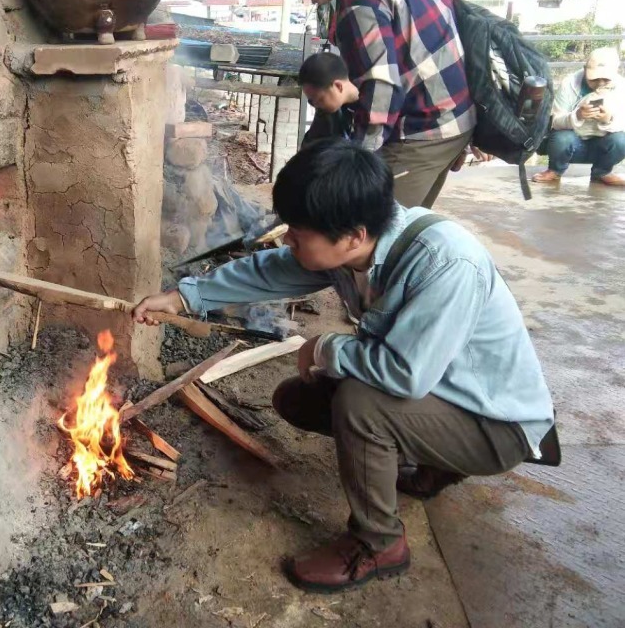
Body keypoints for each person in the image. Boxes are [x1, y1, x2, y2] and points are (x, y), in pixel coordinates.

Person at [132, 141, 554, 593]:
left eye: (297, 232)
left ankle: (379, 544)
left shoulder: (445, 262)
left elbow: (405, 374)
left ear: (352, 234)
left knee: (360, 404)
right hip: (447, 395)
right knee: (297, 399)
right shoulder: (358, 248)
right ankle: (433, 463)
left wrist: (323, 346)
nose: (288, 239)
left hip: (495, 424)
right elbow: (269, 271)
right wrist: (183, 296)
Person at [273, 0, 475, 208]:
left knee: (358, 227)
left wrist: (357, 161)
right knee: (401, 228)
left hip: (421, 131)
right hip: (457, 117)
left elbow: (380, 87)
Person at [532, 47, 625, 186]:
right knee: (561, 137)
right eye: (594, 79)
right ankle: (555, 170)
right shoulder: (569, 83)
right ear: (585, 69)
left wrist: (608, 119)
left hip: (603, 144)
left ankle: (603, 172)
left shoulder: (621, 87)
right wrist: (577, 116)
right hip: (572, 143)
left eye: (605, 79)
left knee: (621, 140)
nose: (600, 83)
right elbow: (554, 121)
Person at [299, 51, 358, 147]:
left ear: (338, 86)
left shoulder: (371, 108)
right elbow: (312, 146)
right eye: (311, 102)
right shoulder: (327, 111)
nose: (316, 105)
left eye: (320, 99)